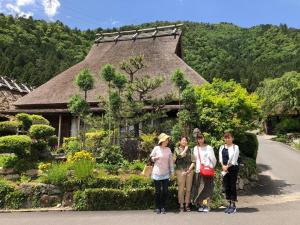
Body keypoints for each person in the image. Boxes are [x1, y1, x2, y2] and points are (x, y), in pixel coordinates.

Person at [189, 133, 216, 212]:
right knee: (199, 188)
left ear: (204, 138)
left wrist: (209, 166)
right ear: (197, 140)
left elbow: (213, 159)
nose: (200, 140)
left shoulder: (209, 148)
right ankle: (201, 205)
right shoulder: (195, 148)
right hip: (198, 171)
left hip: (207, 170)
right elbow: (194, 160)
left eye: (201, 138)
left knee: (207, 189)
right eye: (198, 138)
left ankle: (206, 205)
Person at [150, 133, 174, 214]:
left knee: (165, 191)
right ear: (162, 141)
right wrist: (155, 158)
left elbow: (170, 162)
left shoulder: (168, 150)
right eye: (166, 140)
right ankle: (157, 207)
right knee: (158, 192)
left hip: (166, 173)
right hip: (157, 173)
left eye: (167, 140)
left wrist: (172, 172)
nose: (167, 141)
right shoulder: (156, 148)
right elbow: (151, 158)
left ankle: (163, 206)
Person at [219, 131, 240, 214]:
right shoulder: (221, 147)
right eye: (226, 138)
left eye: (229, 137)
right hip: (224, 168)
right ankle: (229, 204)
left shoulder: (235, 147)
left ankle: (233, 205)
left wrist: (227, 167)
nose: (227, 139)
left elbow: (234, 159)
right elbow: (220, 157)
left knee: (232, 185)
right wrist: (222, 166)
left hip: (233, 168)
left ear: (232, 138)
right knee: (226, 186)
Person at [173, 136, 194, 212]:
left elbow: (193, 161)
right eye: (183, 140)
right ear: (180, 141)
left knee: (188, 189)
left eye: (186, 140)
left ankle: (187, 204)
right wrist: (185, 149)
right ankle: (181, 205)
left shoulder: (191, 150)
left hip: (189, 171)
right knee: (181, 189)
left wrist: (189, 170)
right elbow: (178, 156)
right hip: (180, 170)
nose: (184, 142)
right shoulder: (176, 149)